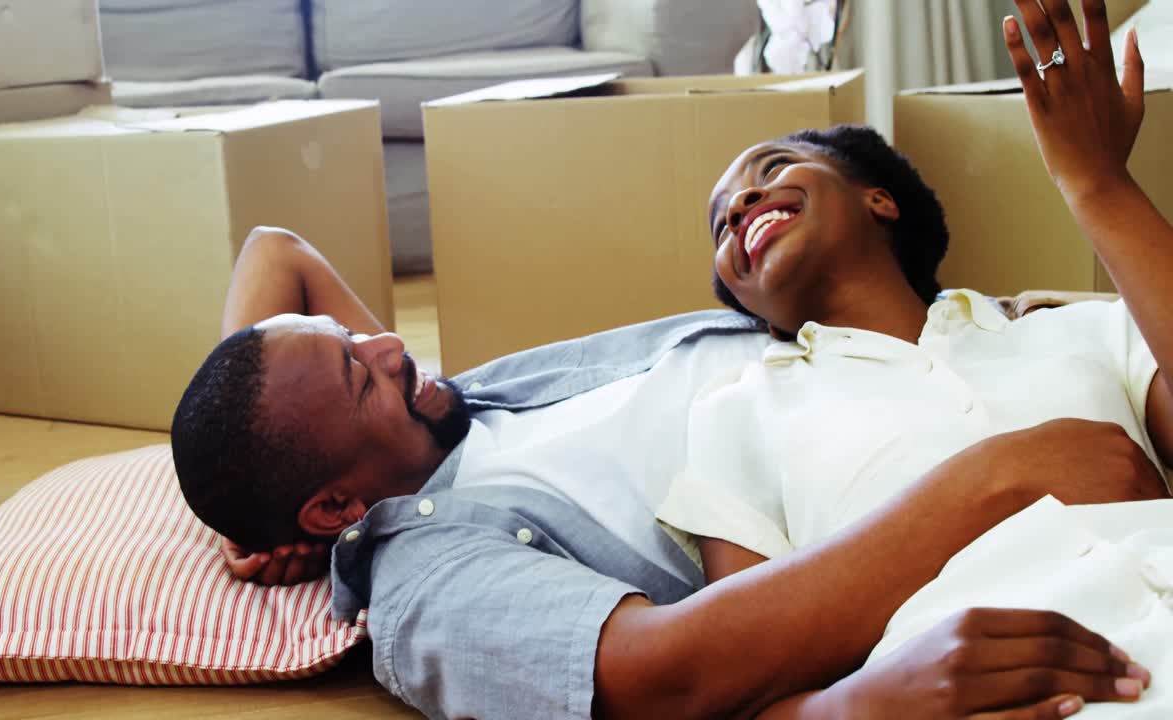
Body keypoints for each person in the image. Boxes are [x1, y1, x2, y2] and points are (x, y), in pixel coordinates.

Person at [170, 1, 1164, 716]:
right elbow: (664, 674)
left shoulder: (473, 398)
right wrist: (996, 477)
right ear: (336, 509)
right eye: (356, 372)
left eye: (358, 341)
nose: (390, 343)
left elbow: (277, 251)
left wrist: (250, 483)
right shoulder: (430, 572)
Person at [657, 0, 1173, 716]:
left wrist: (1098, 185)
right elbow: (740, 675)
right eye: (722, 224)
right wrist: (871, 705)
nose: (741, 202)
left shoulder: (1085, 329)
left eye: (773, 169)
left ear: (879, 200)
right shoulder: (737, 411)